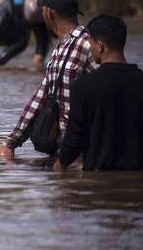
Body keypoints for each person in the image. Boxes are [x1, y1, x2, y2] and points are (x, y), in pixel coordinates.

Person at [0, 0, 98, 158]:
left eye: (42, 9)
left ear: (49, 13)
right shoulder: (59, 49)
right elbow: (40, 98)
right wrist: (10, 144)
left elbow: (109, 87)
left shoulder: (87, 45)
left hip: (82, 152)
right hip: (61, 152)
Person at [54, 15, 143, 171]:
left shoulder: (84, 86)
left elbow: (73, 140)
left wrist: (59, 166)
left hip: (98, 182)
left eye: (91, 44)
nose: (91, 49)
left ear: (100, 46)